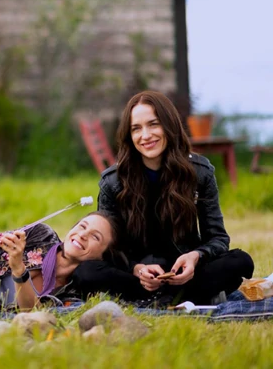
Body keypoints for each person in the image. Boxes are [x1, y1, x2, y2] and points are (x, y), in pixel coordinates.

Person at [72, 90, 254, 306]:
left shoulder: (200, 172)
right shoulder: (113, 181)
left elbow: (218, 238)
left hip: (186, 271)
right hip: (136, 276)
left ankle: (161, 298)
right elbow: (108, 247)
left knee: (240, 262)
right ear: (129, 136)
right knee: (86, 272)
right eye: (136, 129)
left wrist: (196, 256)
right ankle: (181, 298)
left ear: (169, 126)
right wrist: (136, 268)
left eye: (153, 124)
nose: (146, 135)